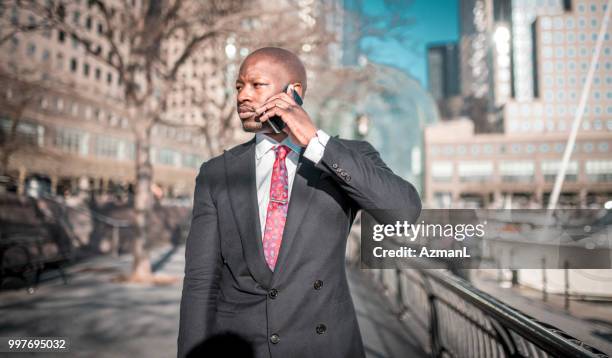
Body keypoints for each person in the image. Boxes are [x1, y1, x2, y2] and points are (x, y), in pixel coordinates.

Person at [177, 47, 422, 358]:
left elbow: (404, 212)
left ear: (294, 92)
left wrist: (316, 142)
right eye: (239, 86)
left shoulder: (347, 157)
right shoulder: (217, 172)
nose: (242, 96)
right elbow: (201, 281)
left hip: (324, 346)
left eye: (256, 85)